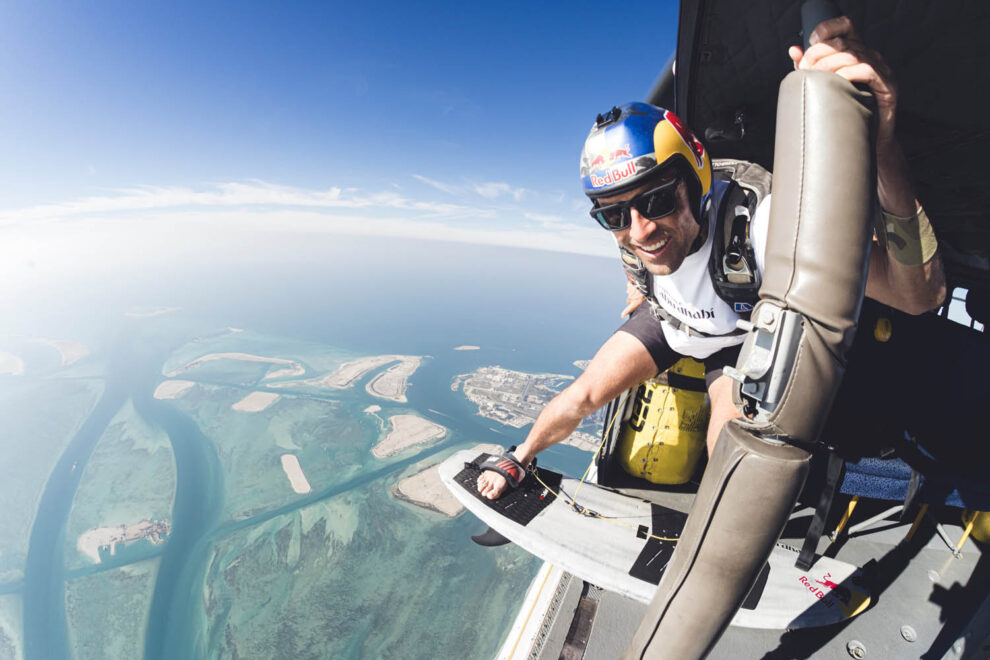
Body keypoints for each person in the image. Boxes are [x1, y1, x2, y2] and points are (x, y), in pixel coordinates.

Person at [476, 16, 945, 501]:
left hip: (730, 342)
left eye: (658, 201)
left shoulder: (761, 225)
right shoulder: (635, 236)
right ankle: (519, 457)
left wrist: (884, 150)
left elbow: (920, 295)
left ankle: (714, 547)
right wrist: (638, 286)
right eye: (614, 216)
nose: (638, 229)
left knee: (727, 446)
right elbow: (634, 248)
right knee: (582, 396)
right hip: (669, 325)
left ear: (697, 176)